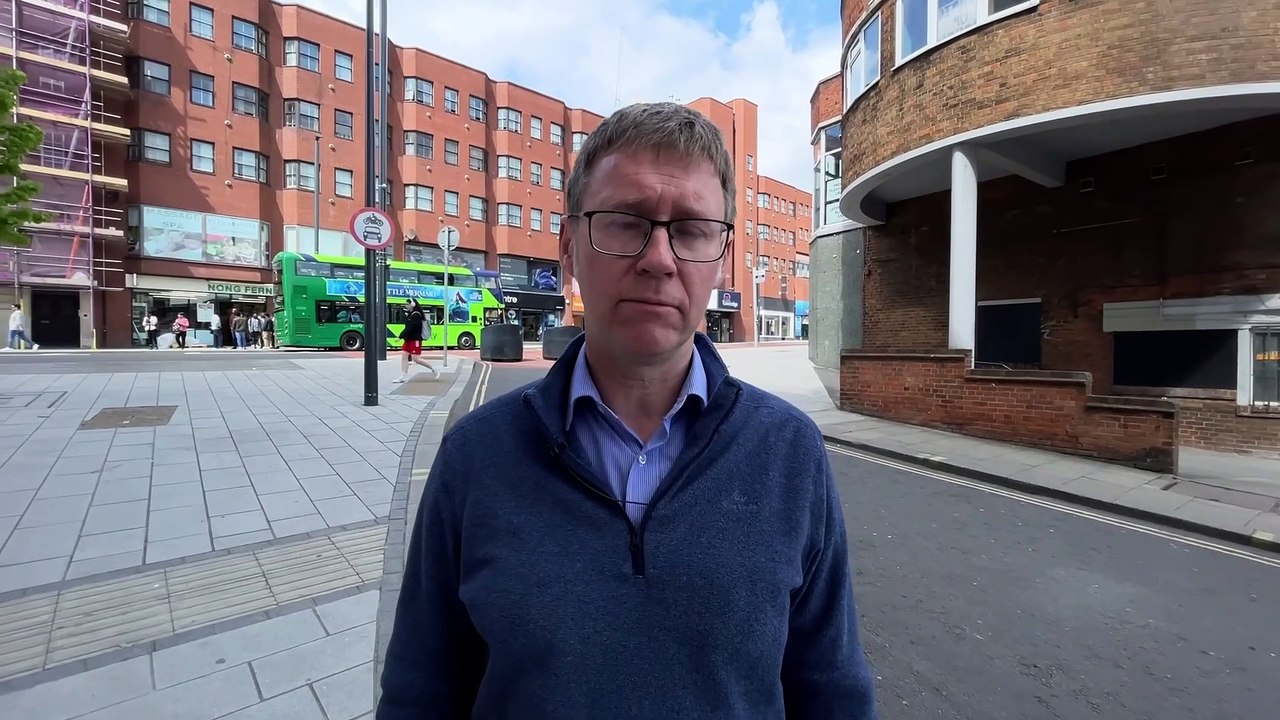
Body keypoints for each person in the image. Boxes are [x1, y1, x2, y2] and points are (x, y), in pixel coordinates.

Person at [378, 102, 878, 719]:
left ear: (720, 257)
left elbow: (832, 693)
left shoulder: (790, 453)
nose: (660, 258)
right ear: (569, 248)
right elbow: (419, 695)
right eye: (625, 221)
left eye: (692, 229)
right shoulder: (475, 458)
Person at [393, 299, 438, 383]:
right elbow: (408, 328)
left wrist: (401, 336)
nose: (406, 305)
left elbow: (411, 328)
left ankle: (434, 369)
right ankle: (403, 376)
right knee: (404, 356)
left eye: (407, 304)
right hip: (409, 339)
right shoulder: (411, 314)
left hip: (415, 339)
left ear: (413, 304)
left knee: (416, 359)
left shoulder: (416, 315)